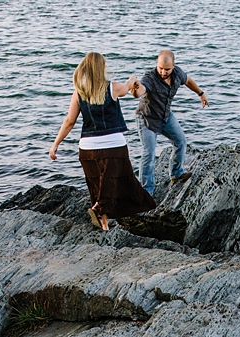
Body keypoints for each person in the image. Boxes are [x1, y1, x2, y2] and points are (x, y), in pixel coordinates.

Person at [49, 52, 156, 231]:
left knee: (97, 187)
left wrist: (55, 144)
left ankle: (104, 223)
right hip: (114, 147)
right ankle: (100, 209)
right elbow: (128, 88)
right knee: (120, 183)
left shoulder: (79, 92)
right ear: (102, 68)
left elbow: (69, 121)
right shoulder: (112, 87)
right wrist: (132, 80)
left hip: (87, 150)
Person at [134, 50, 209, 195]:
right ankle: (146, 191)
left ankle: (176, 173)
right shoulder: (150, 77)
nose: (163, 72)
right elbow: (140, 91)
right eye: (160, 68)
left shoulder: (177, 74)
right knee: (149, 154)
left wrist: (201, 94)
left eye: (167, 69)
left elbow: (188, 81)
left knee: (180, 141)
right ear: (157, 64)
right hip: (147, 119)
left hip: (166, 116)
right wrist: (135, 89)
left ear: (173, 66)